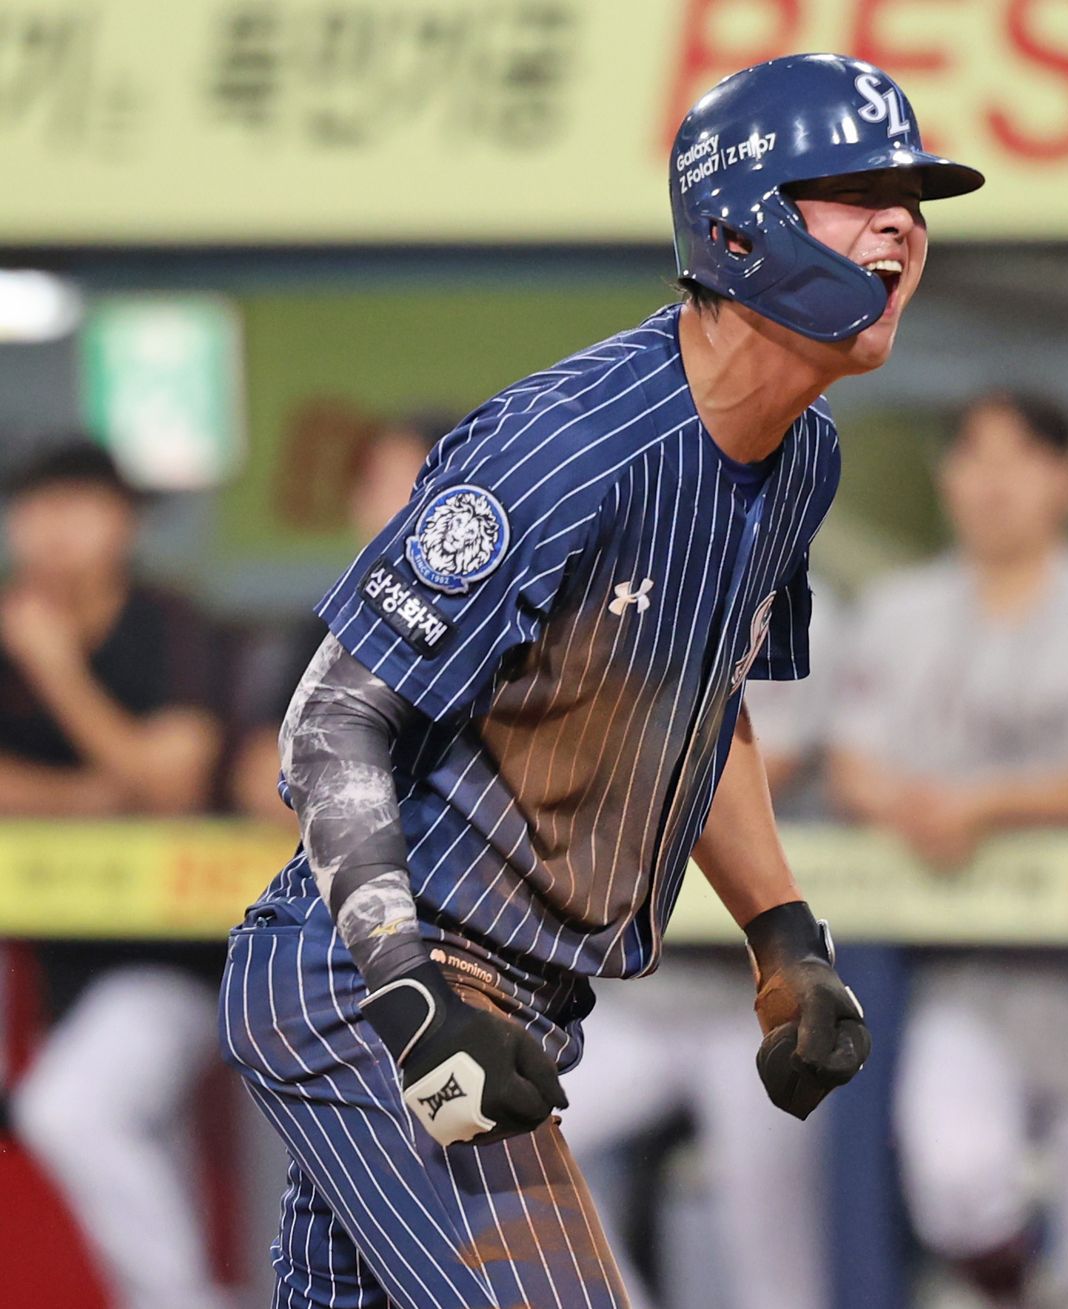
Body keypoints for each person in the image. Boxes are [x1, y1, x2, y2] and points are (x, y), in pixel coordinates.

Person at [216, 53, 982, 1308]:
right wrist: (409, 996)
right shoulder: (564, 446)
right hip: (375, 982)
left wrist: (783, 936)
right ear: (737, 229)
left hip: (516, 995)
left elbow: (701, 709)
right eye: (855, 192)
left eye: (911, 200)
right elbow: (330, 721)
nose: (900, 224)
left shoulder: (801, 459)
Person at [828, 391, 1068, 1309]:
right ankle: (1018, 1293)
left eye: (1018, 459)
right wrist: (914, 808)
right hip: (963, 966)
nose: (992, 482)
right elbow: (853, 763)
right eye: (973, 457)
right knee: (956, 1183)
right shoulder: (901, 608)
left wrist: (986, 806)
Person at [559, 587, 845, 1309]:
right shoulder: (619, 595)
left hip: (757, 1001)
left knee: (773, 1257)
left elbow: (767, 763)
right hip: (638, 995)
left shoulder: (797, 602)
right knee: (511, 1135)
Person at [1, 441, 228, 1309]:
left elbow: (172, 785)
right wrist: (100, 793)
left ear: (125, 523)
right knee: (125, 1132)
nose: (54, 530)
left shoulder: (169, 623)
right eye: (36, 507)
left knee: (72, 1109)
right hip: (46, 965)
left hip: (185, 956)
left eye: (79, 506)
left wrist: (57, 668)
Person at [230, 413, 446, 824]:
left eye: (404, 486)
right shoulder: (329, 626)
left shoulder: (507, 628)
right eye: (372, 485)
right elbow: (259, 779)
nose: (378, 508)